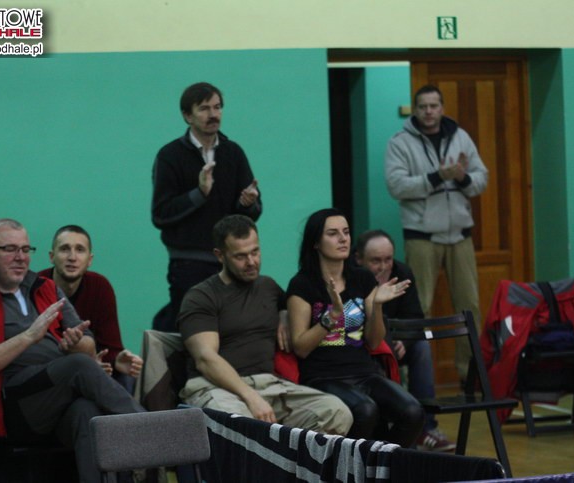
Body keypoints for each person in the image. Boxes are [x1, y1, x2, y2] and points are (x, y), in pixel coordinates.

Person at [0, 218, 144, 483]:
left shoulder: (45, 288)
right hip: (7, 405)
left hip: (53, 398)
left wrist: (75, 344)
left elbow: (88, 344)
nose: (20, 257)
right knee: (78, 366)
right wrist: (28, 337)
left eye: (25, 249)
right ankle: (151, 429)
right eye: (10, 249)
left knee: (86, 413)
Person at [178, 214, 352, 435]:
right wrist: (251, 397)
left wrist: (283, 314)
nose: (251, 262)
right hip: (215, 387)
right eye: (240, 256)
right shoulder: (201, 296)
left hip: (269, 385)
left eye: (255, 252)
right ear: (220, 255)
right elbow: (206, 359)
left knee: (336, 412)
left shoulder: (268, 287)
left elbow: (288, 305)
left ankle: (292, 460)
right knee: (241, 425)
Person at [286, 209, 424, 447]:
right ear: (316, 242)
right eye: (333, 233)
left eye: (346, 232)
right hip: (322, 376)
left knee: (413, 412)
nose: (343, 239)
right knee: (365, 410)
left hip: (364, 373)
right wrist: (331, 317)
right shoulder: (303, 284)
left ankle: (382, 463)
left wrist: (377, 305)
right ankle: (351, 466)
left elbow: (374, 341)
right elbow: (300, 347)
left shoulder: (362, 279)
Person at [384, 84, 488, 379]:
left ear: (442, 108)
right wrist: (436, 177)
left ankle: (471, 378)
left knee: (469, 307)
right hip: (422, 237)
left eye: (434, 106)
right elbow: (396, 186)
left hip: (460, 235)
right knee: (420, 308)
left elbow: (482, 179)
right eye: (423, 107)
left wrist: (462, 177)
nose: (429, 112)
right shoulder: (400, 142)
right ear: (415, 110)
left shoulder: (460, 137)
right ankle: (419, 380)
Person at [152, 82, 261, 332]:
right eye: (204, 108)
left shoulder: (233, 152)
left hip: (231, 261)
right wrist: (199, 194)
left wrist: (248, 204)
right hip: (188, 264)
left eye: (217, 107)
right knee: (192, 332)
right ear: (187, 116)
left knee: (233, 331)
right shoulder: (170, 156)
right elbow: (160, 214)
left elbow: (251, 212)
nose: (213, 114)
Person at [354, 229, 456, 452]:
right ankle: (393, 424)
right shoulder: (351, 277)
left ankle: (426, 427)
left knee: (421, 347)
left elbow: (415, 317)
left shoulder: (402, 272)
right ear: (359, 259)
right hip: (362, 348)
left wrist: (405, 341)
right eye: (375, 261)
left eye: (388, 259)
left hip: (396, 342)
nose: (383, 267)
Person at [38, 225, 142, 389]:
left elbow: (110, 346)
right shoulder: (37, 287)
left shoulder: (100, 286)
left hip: (92, 365)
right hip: (50, 371)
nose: (72, 257)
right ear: (52, 256)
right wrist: (88, 364)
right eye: (65, 249)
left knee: (128, 378)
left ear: (90, 260)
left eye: (80, 250)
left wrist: (116, 359)